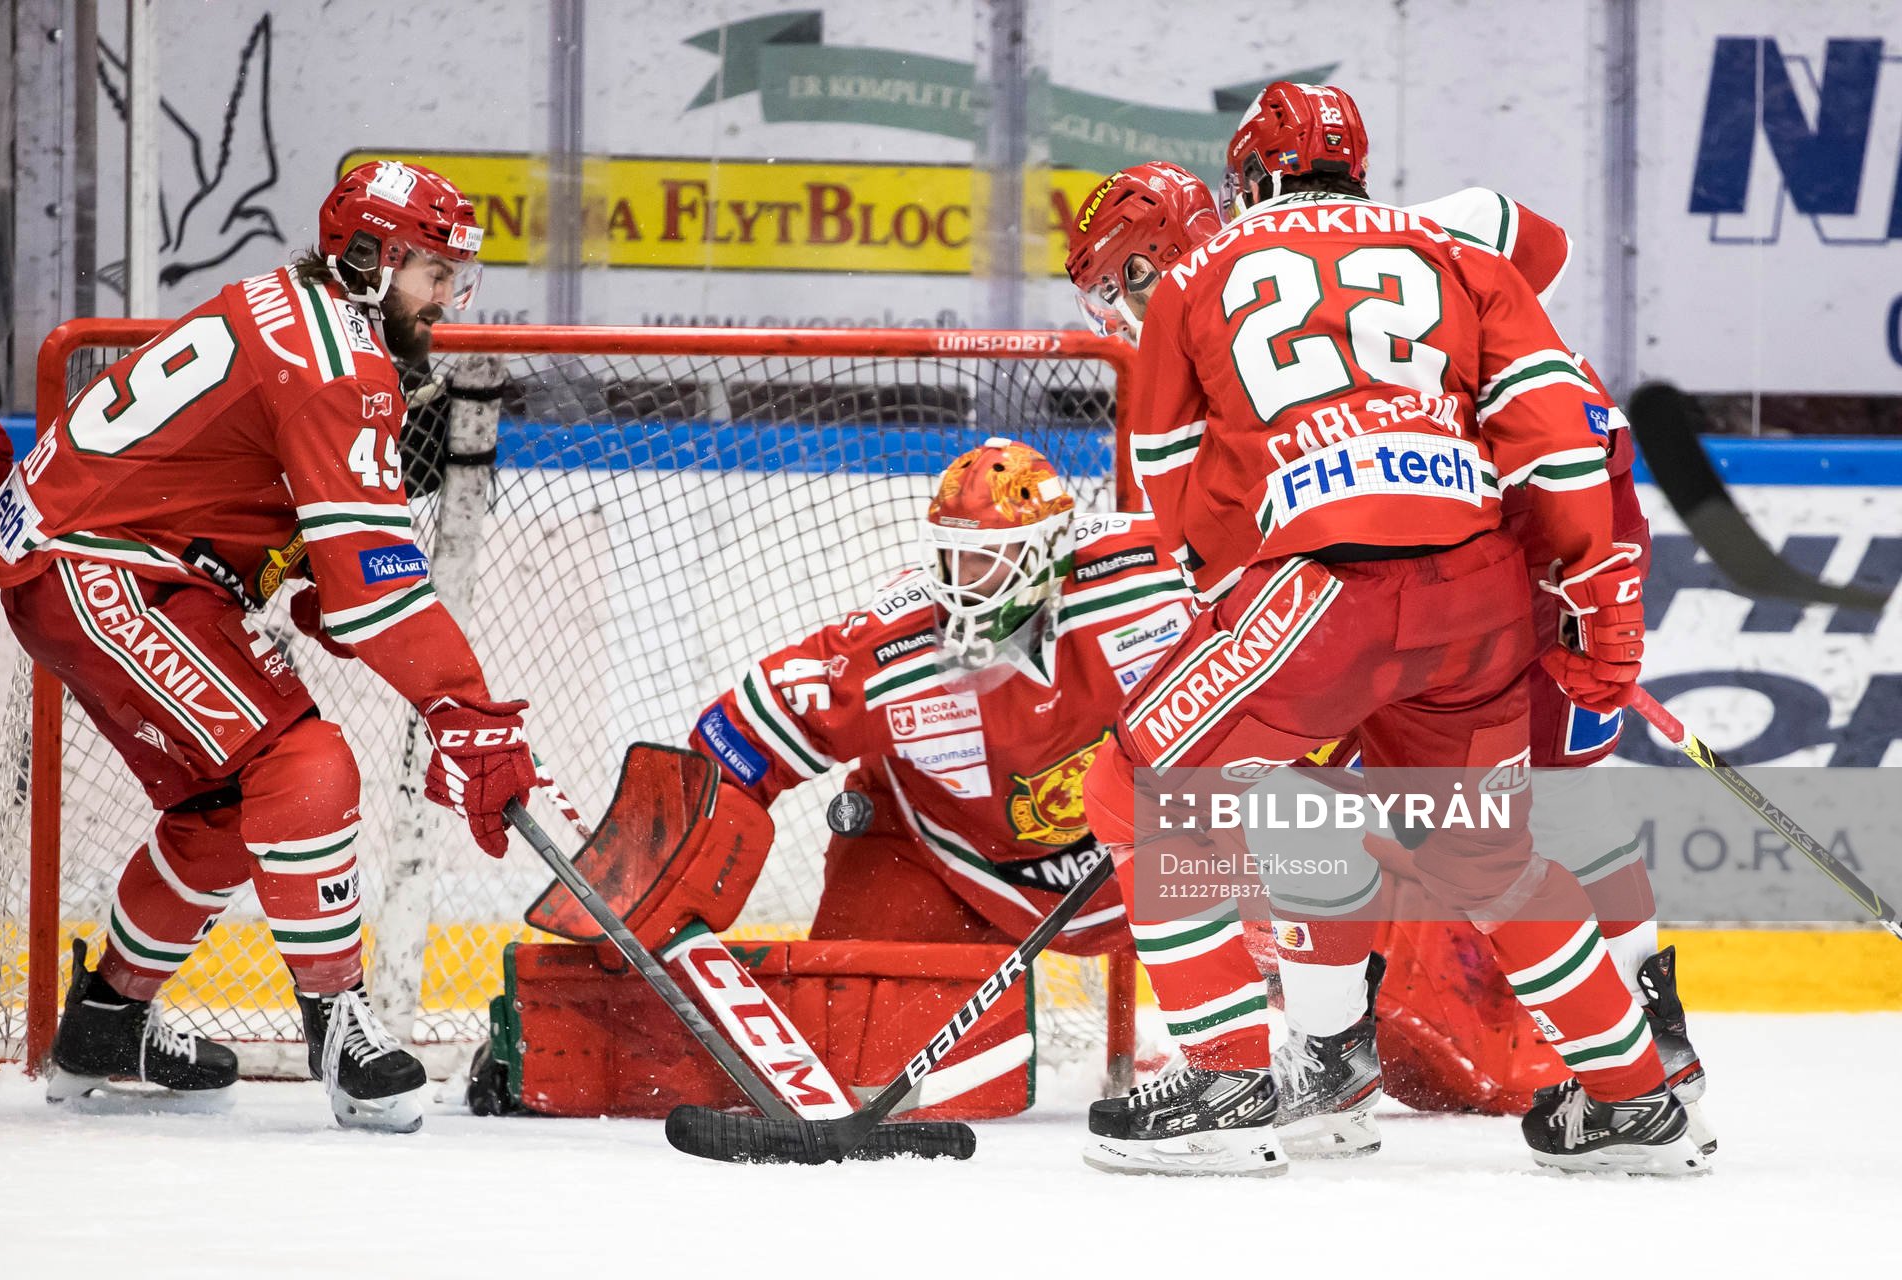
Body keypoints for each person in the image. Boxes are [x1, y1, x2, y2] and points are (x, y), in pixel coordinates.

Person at [1076, 81, 1706, 1176]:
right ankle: (1637, 1101)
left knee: (1136, 790)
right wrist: (1596, 594)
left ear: (1249, 177)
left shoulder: (1195, 276)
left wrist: (1229, 595)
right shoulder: (1458, 247)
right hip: (1487, 589)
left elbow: (1175, 481)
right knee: (1491, 857)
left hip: (1325, 590)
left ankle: (1227, 1080)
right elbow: (1562, 436)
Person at [0, 161, 538, 1133]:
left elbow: (263, 500)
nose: (448, 298)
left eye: (455, 276)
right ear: (368, 258)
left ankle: (106, 1026)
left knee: (220, 811)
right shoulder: (341, 364)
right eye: (434, 273)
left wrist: (318, 579)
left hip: (96, 566)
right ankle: (339, 1028)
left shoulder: (295, 309)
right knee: (301, 763)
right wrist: (465, 708)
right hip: (110, 570)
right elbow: (376, 589)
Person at [687, 439, 1195, 1094]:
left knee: (1300, 834)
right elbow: (743, 731)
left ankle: (1282, 1046)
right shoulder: (895, 647)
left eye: (986, 557)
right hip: (942, 863)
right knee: (848, 1056)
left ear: (1049, 549)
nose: (962, 578)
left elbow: (1288, 636)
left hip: (1140, 850)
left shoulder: (1157, 577)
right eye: (953, 554)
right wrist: (680, 845)